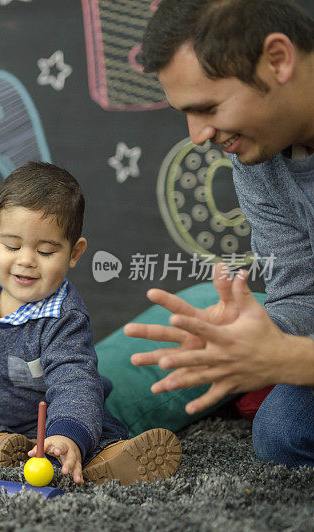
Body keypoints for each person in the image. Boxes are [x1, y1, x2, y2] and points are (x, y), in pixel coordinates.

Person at [0, 162, 182, 484]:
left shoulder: (64, 317)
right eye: (12, 246)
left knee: (94, 423)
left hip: (46, 418)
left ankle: (105, 456)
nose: (26, 260)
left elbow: (73, 380)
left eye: (47, 251)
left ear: (74, 253)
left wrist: (66, 433)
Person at [127, 0, 314, 467]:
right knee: (281, 433)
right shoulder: (258, 160)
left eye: (208, 107)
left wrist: (292, 360)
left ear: (278, 60)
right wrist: (249, 336)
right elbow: (301, 293)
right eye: (184, 113)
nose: (197, 134)